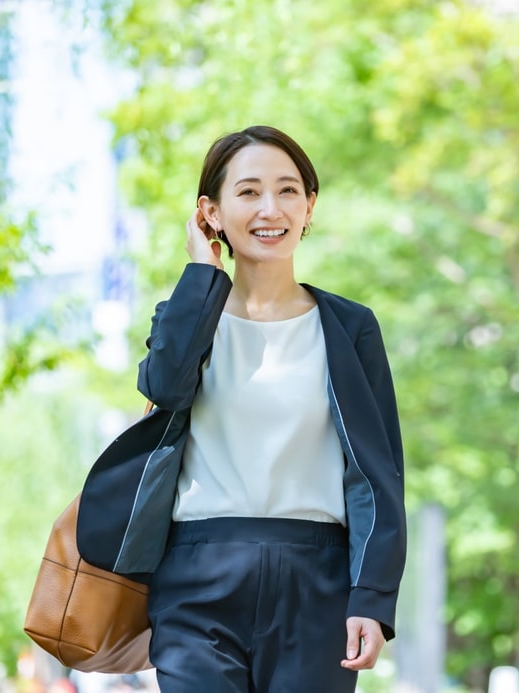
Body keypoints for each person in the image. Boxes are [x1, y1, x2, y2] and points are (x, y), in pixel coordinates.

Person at [136, 125, 406, 692]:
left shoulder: (350, 328)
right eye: (248, 191)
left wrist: (373, 595)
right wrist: (202, 275)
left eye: (287, 190)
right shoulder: (186, 317)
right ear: (210, 212)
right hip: (196, 581)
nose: (270, 208)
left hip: (317, 583)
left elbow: (377, 476)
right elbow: (164, 386)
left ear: (309, 207)